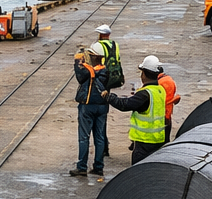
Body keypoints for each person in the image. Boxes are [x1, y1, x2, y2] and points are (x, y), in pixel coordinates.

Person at [103, 55, 167, 165]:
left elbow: (125, 105)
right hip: (158, 140)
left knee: (140, 171)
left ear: (145, 74)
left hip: (145, 141)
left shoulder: (145, 94)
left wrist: (109, 97)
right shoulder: (160, 90)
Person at [70, 41, 108, 178]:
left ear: (94, 56)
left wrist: (77, 61)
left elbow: (80, 76)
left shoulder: (89, 71)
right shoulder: (106, 70)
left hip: (88, 106)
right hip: (103, 106)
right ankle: (98, 166)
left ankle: (82, 167)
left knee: (84, 137)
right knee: (99, 137)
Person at [95, 24, 123, 157]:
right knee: (104, 113)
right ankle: (105, 145)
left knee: (99, 116)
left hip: (100, 82)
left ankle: (103, 146)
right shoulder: (115, 45)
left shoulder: (97, 46)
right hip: (111, 81)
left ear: (100, 35)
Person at [157, 63, 181, 140]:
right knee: (166, 138)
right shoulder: (169, 80)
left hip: (160, 116)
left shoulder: (159, 83)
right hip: (167, 115)